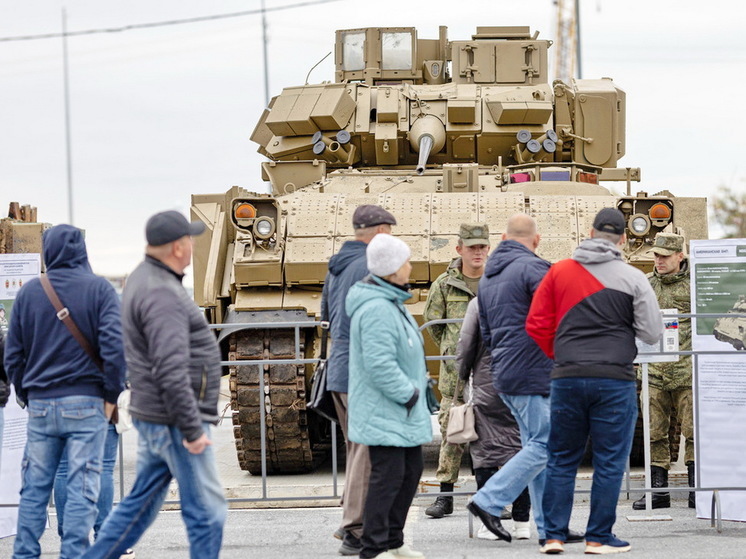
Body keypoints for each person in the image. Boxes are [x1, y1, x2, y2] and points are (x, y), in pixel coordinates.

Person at [82, 210, 227, 559]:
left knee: (138, 508)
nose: (192, 247)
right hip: (174, 421)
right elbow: (171, 368)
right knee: (208, 513)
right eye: (190, 241)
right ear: (178, 247)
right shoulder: (162, 292)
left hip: (158, 415)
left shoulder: (143, 278)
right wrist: (192, 429)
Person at [526, 207, 663, 555]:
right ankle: (598, 538)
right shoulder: (633, 277)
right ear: (623, 238)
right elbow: (651, 332)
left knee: (561, 458)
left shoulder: (558, 273)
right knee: (609, 460)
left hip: (568, 377)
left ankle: (554, 536)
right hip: (614, 379)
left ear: (589, 232)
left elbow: (537, 325)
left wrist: (561, 355)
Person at [4, 224, 126, 559]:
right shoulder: (100, 290)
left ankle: (25, 554)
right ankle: (73, 553)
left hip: (41, 405)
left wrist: (27, 394)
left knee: (34, 489)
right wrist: (110, 399)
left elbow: (12, 354)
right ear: (81, 250)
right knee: (83, 486)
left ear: (48, 250)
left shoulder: (30, 292)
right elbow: (116, 352)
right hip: (87, 404)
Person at [466, 214, 584, 549]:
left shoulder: (488, 277)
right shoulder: (536, 269)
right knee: (548, 444)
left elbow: (487, 334)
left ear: (503, 238)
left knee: (538, 447)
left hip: (506, 374)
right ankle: (488, 500)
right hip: (537, 373)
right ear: (536, 239)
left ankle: (551, 529)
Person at [346, 234, 432, 559]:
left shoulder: (392, 302)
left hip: (399, 409)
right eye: (406, 261)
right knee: (387, 479)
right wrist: (408, 393)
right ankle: (373, 546)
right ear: (393, 268)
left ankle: (393, 540)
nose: (410, 267)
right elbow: (379, 363)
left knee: (409, 473)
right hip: (387, 407)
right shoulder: (377, 309)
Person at [321, 204, 397, 556]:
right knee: (366, 452)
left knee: (357, 450)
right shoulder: (368, 265)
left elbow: (326, 316)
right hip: (361, 372)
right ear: (380, 232)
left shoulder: (337, 266)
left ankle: (355, 521)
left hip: (340, 369)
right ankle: (355, 528)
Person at [423, 223, 490, 519]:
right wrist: (454, 351)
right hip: (456, 374)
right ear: (459, 248)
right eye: (472, 247)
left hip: (491, 372)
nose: (477, 252)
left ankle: (488, 495)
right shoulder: (444, 285)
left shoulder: (496, 281)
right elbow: (434, 326)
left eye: (482, 247)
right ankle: (445, 496)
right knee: (452, 431)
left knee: (492, 434)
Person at [456, 297, 532, 541]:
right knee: (521, 454)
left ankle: (489, 522)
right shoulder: (530, 298)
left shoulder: (480, 303)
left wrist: (463, 373)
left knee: (486, 454)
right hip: (523, 386)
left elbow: (466, 346)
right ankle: (522, 523)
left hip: (487, 387)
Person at [633, 232, 694, 510]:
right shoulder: (646, 286)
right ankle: (658, 492)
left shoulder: (696, 285)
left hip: (688, 373)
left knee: (695, 433)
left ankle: (696, 490)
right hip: (654, 372)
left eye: (664, 256)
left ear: (679, 256)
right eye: (656, 255)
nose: (658, 260)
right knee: (654, 433)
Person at [54, 424, 135, 559]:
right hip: (102, 408)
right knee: (103, 468)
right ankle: (104, 541)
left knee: (64, 470)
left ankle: (70, 542)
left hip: (61, 408)